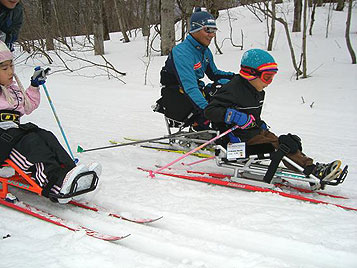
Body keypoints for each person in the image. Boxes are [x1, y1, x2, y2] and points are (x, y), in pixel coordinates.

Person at [204, 48, 341, 182]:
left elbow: (253, 115)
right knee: (279, 147)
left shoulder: (257, 91)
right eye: (267, 77)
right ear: (250, 74)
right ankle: (312, 171)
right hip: (234, 142)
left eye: (272, 77)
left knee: (287, 142)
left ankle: (309, 165)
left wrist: (258, 123)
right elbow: (210, 111)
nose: (269, 83)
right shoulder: (232, 89)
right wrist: (233, 116)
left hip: (253, 133)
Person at [0, 41, 101, 203]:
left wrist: (34, 86)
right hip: (4, 141)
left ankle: (72, 174)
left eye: (11, 66)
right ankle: (54, 184)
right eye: (4, 68)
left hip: (14, 131)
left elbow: (28, 106)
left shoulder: (12, 89)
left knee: (46, 136)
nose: (11, 71)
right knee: (32, 144)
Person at [157, 9, 235, 131]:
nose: (212, 35)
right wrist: (209, 112)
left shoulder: (204, 50)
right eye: (208, 30)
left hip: (191, 90)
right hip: (177, 97)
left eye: (214, 30)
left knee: (223, 86)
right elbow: (190, 87)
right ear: (195, 29)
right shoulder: (182, 53)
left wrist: (238, 78)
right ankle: (198, 127)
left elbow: (214, 74)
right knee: (215, 92)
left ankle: (223, 127)